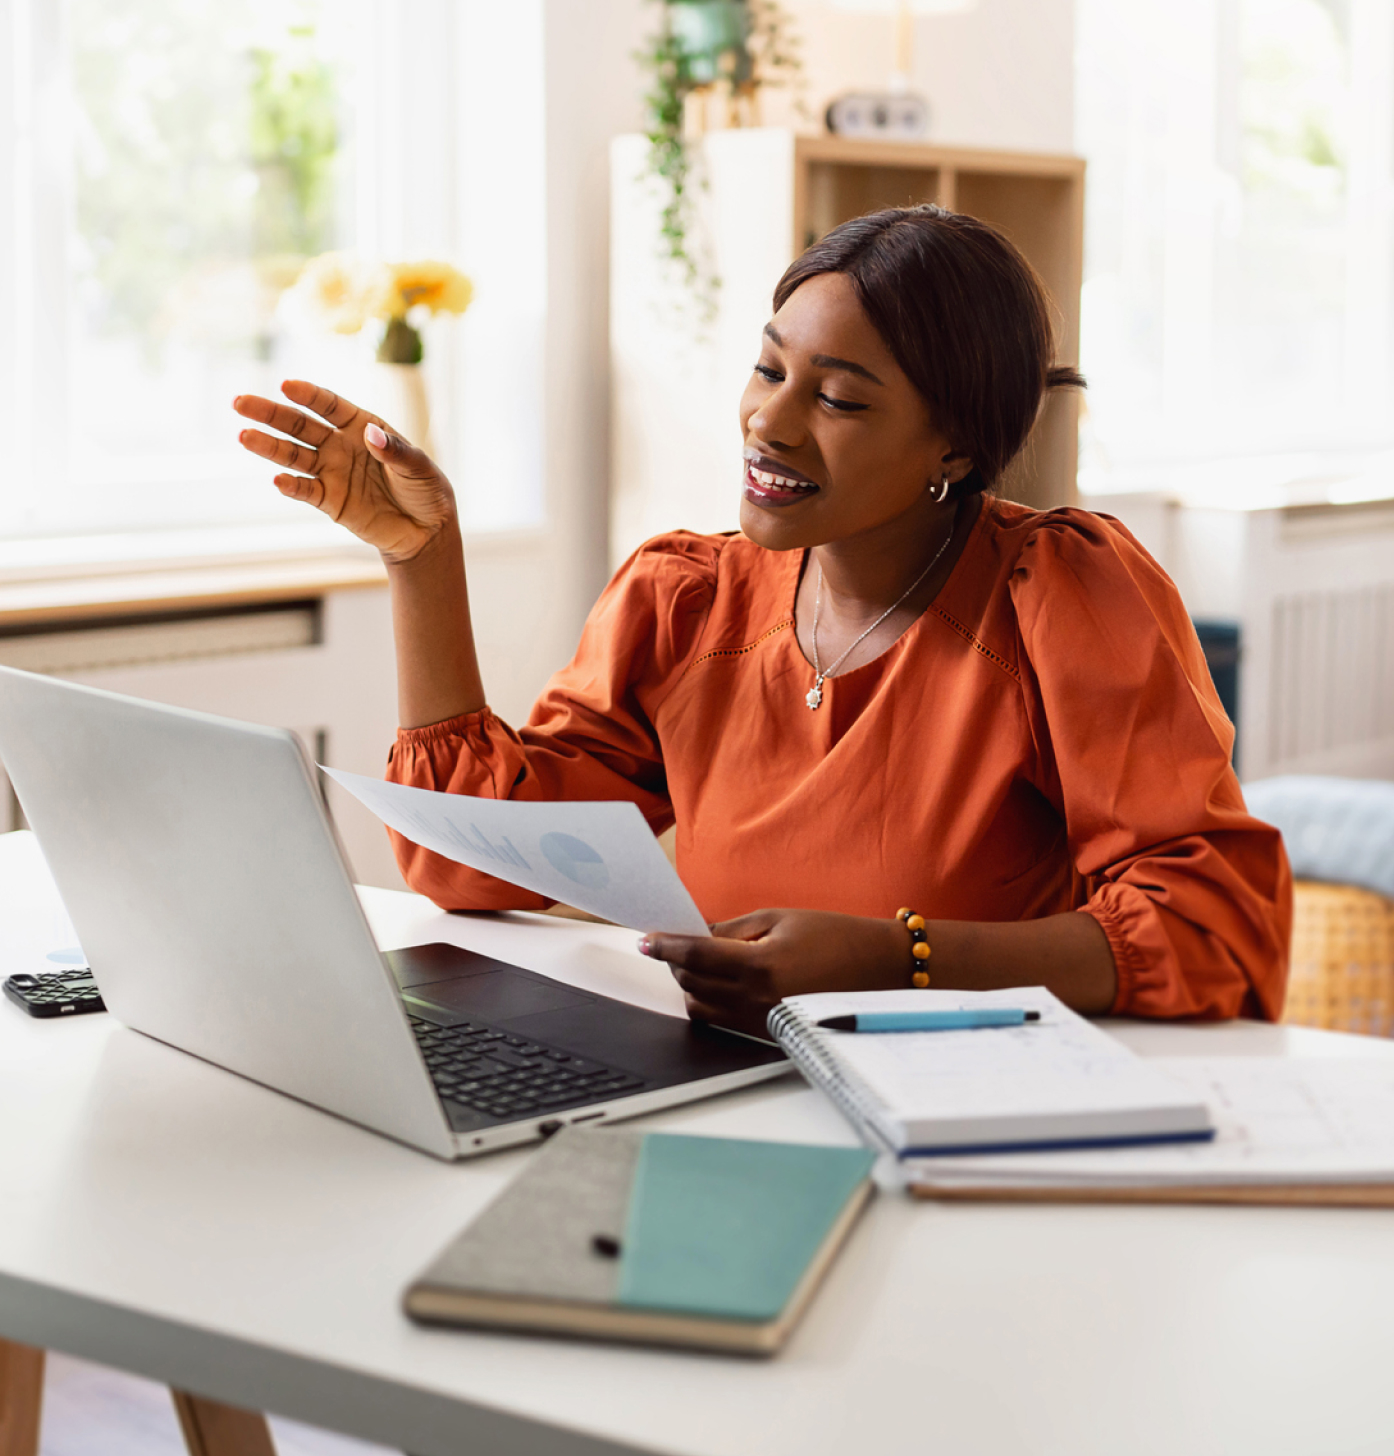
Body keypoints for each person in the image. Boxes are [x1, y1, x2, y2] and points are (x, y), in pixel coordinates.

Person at [234, 204, 1291, 1037]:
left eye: (838, 399)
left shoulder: (1062, 596)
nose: (767, 423)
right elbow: (467, 865)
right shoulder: (684, 600)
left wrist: (898, 958)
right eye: (767, 367)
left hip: (968, 1116)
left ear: (954, 449)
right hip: (726, 1090)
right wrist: (422, 560)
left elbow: (1213, 929)